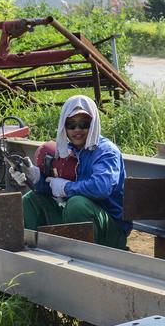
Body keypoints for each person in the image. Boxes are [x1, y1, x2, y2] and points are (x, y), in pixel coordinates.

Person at [9, 95, 132, 250]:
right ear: (64, 126)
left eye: (84, 124)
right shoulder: (71, 150)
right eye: (71, 125)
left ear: (93, 124)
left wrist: (66, 187)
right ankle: (34, 250)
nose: (77, 130)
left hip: (110, 230)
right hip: (78, 221)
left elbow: (101, 188)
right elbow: (55, 187)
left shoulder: (106, 152)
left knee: (77, 204)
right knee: (32, 199)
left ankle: (84, 259)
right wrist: (34, 176)